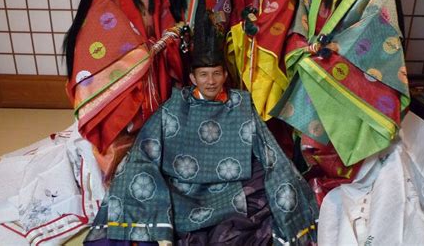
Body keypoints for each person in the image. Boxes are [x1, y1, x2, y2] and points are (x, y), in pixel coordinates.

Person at [84, 21, 319, 246]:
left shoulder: (240, 104)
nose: (210, 81)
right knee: (134, 174)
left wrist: (284, 180)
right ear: (192, 78)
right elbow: (146, 149)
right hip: (185, 189)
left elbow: (270, 151)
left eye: (217, 74)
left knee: (271, 179)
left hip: (232, 185)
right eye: (204, 75)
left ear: (225, 76)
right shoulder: (175, 106)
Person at [271, 0, 410, 204]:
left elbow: (377, 26)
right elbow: (301, 20)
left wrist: (333, 50)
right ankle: (311, 187)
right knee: (310, 135)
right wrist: (304, 47)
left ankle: (339, 189)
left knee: (341, 133)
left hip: (348, 70)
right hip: (314, 66)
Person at [63, 0, 183, 183]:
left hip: (153, 59)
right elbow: (99, 26)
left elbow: (164, 14)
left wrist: (168, 36)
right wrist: (134, 50)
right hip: (124, 62)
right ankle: (123, 164)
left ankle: (153, 161)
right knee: (125, 119)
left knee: (154, 117)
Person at [226, 0, 308, 157]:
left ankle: (277, 167)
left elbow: (299, 25)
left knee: (276, 118)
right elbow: (235, 21)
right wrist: (244, 25)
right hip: (246, 60)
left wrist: (262, 28)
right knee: (244, 118)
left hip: (278, 59)